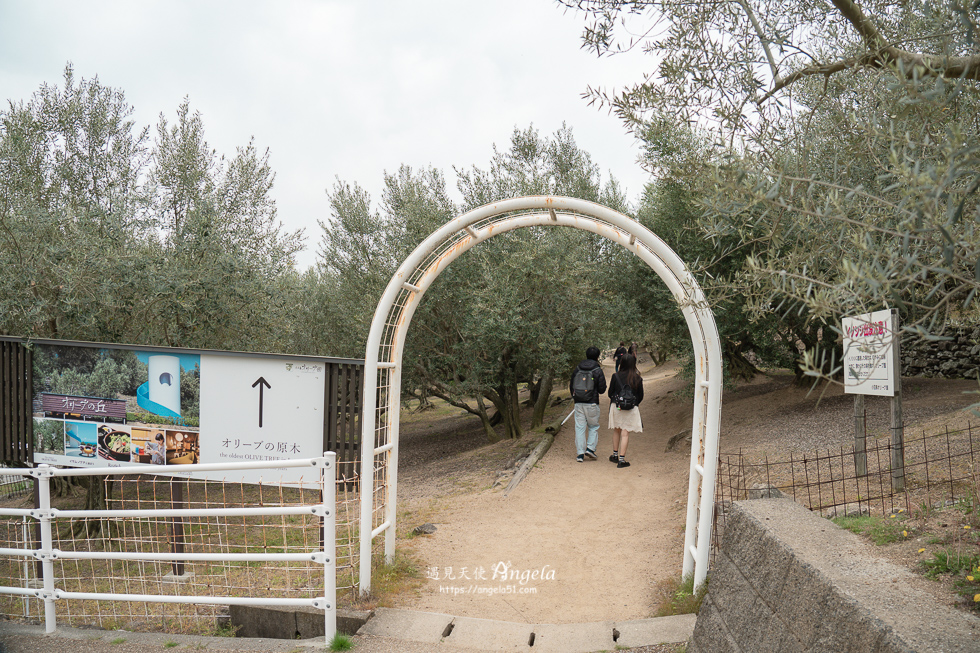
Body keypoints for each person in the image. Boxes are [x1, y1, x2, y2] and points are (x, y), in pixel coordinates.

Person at [569, 346, 606, 463]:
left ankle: (580, 454)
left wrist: (576, 397)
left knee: (580, 428)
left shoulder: (578, 368)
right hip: (592, 403)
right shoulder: (597, 370)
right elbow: (602, 389)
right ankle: (590, 448)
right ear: (597, 356)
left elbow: (571, 385)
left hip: (579, 403)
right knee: (593, 426)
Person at [607, 353, 644, 468]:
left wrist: (619, 402)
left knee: (616, 430)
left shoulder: (615, 376)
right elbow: (640, 395)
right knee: (625, 433)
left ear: (621, 363)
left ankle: (615, 455)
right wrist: (632, 403)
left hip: (617, 406)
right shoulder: (637, 378)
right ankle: (622, 460)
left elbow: (610, 393)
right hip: (631, 408)